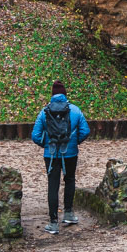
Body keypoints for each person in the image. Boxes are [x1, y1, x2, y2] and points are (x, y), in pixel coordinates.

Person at [32, 80, 91, 234]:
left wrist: (46, 144)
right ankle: (69, 214)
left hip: (50, 155)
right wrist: (74, 142)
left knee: (53, 185)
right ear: (65, 95)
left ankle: (53, 222)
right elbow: (85, 131)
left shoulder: (44, 111)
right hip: (70, 153)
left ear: (52, 95)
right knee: (70, 179)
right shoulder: (76, 111)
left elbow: (35, 135)